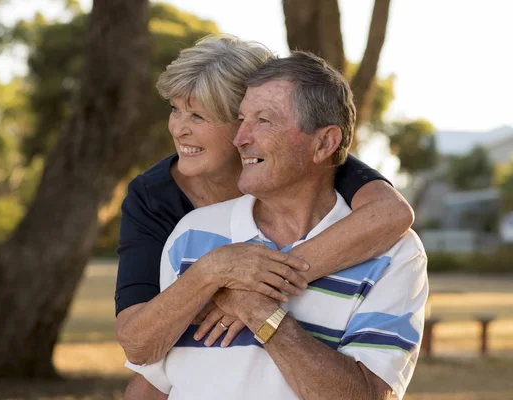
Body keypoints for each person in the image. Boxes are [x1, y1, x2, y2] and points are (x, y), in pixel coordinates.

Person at [115, 35, 415, 398]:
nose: (179, 128)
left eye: (198, 115)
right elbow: (145, 350)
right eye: (175, 110)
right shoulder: (166, 209)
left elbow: (390, 214)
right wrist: (215, 270)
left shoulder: (319, 163)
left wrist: (255, 290)